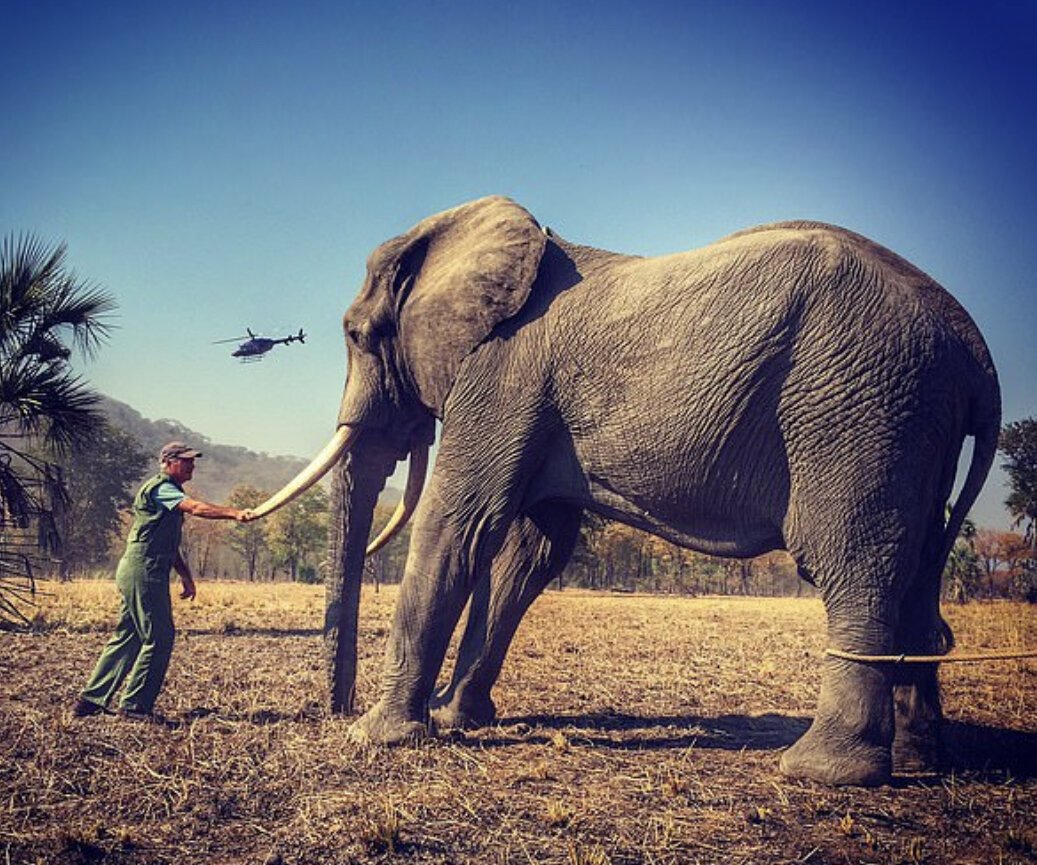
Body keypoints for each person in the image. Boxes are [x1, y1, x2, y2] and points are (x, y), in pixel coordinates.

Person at [73, 441, 253, 721]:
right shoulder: (161, 488)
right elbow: (195, 508)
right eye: (186, 461)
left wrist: (186, 577)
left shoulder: (171, 491)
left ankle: (91, 700)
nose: (192, 465)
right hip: (142, 569)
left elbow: (168, 544)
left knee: (129, 635)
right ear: (169, 462)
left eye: (193, 461)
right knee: (159, 635)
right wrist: (234, 512)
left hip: (144, 569)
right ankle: (134, 707)